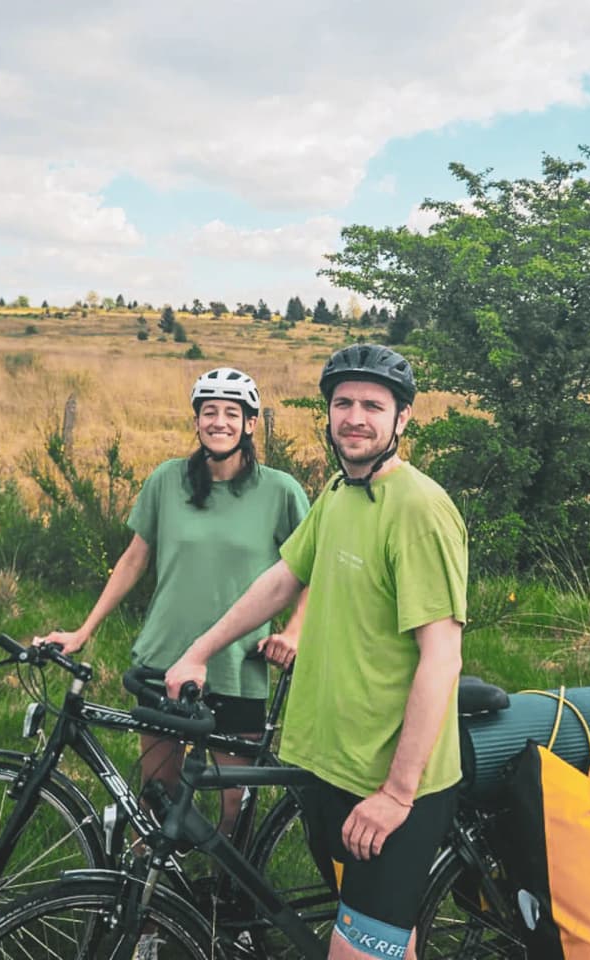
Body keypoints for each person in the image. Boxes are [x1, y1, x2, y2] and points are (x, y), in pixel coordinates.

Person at [166, 344, 467, 960]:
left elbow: (442, 658)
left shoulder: (419, 509)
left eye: (372, 406)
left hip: (387, 783)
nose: (354, 417)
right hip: (327, 764)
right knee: (385, 943)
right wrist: (199, 649)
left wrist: (396, 796)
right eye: (342, 403)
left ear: (402, 419)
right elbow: (281, 579)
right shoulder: (338, 491)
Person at [34, 366, 310, 836]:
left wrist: (293, 632)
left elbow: (308, 571)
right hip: (165, 657)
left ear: (249, 423)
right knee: (156, 795)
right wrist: (84, 631)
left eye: (231, 413)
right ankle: (159, 899)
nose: (219, 422)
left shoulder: (280, 491)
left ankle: (226, 901)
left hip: (237, 665)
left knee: (234, 803)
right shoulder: (166, 480)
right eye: (209, 412)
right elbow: (133, 560)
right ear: (197, 421)